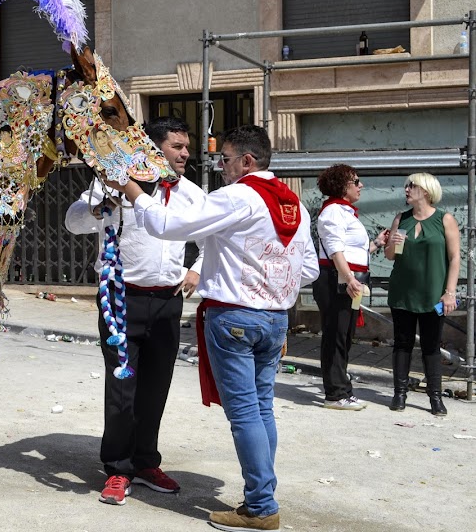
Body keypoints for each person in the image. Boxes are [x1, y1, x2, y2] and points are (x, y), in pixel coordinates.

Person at [106, 124, 318, 531]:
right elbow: (306, 268)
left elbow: (167, 226)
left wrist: (133, 191)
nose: (221, 168)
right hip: (274, 318)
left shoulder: (239, 195)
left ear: (247, 161)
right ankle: (261, 495)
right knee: (261, 409)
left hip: (236, 316)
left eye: (226, 159)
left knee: (245, 416)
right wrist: (271, 286)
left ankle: (261, 505)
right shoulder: (294, 203)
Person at [65, 116, 204, 506]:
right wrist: (100, 207)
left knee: (156, 387)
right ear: (154, 147)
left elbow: (214, 236)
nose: (185, 154)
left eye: (186, 147)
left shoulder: (190, 193)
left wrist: (196, 269)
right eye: (177, 146)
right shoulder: (113, 183)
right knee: (122, 388)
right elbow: (72, 222)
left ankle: (145, 462)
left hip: (166, 303)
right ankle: (117, 468)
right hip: (120, 300)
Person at [312, 164, 389, 410]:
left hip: (345, 279)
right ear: (343, 186)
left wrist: (377, 243)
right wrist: (349, 279)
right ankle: (334, 394)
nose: (361, 185)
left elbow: (353, 251)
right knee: (336, 335)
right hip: (336, 280)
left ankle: (343, 388)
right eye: (356, 181)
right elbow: (335, 249)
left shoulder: (345, 212)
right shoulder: (333, 212)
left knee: (345, 336)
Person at [384, 173, 460, 416]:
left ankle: (435, 397)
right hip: (402, 292)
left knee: (431, 345)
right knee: (402, 343)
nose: (406, 189)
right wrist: (392, 243)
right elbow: (390, 256)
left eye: (411, 186)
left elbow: (454, 258)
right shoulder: (401, 218)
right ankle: (400, 394)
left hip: (433, 295)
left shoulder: (444, 219)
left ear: (426, 191)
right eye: (406, 186)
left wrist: (449, 293)